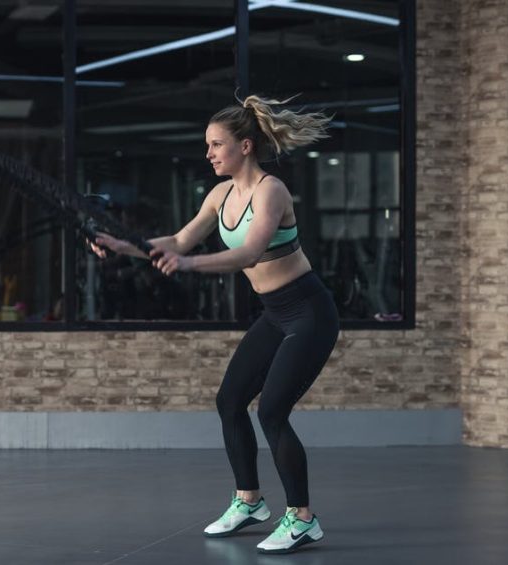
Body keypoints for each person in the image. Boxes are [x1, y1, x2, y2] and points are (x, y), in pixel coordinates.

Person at [89, 94, 339, 555]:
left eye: (216, 144)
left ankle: (303, 519)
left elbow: (249, 253)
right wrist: (119, 245)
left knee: (272, 412)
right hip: (274, 313)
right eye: (207, 145)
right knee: (230, 401)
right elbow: (178, 240)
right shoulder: (220, 195)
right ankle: (249, 501)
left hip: (309, 313)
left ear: (245, 146)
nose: (208, 153)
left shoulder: (271, 191)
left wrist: (188, 265)